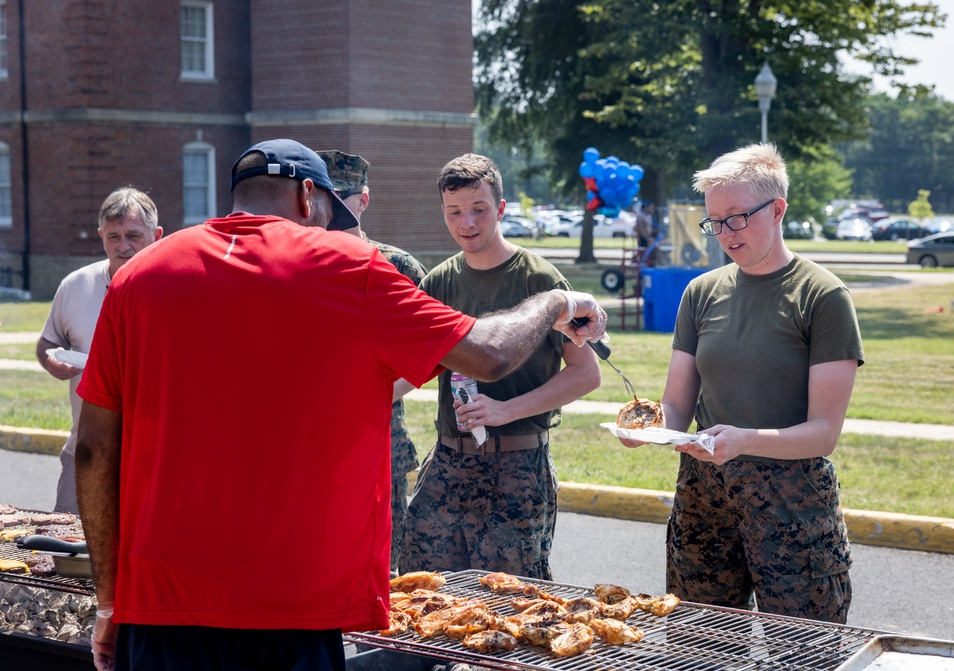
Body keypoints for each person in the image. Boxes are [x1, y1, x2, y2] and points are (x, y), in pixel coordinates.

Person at [75, 139, 608, 671]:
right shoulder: (353, 268)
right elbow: (488, 354)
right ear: (309, 196)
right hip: (296, 604)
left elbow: (95, 451)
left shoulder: (137, 277)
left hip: (162, 603)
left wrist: (109, 600)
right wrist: (559, 300)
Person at [619, 143, 864, 624]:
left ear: (777, 210)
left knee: (801, 651)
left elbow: (823, 432)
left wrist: (742, 441)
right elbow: (676, 404)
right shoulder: (701, 292)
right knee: (698, 645)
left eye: (737, 217)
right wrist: (646, 428)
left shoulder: (823, 296)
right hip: (703, 495)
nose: (724, 234)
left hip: (792, 503)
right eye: (714, 221)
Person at [399, 153, 602, 581]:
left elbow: (586, 374)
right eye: (454, 212)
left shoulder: (539, 281)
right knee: (421, 590)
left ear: (501, 209)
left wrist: (506, 410)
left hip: (518, 467)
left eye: (479, 210)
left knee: (510, 604)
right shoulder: (438, 283)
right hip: (449, 463)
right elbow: (405, 369)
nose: (466, 223)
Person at [317, 148, 427, 573]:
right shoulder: (295, 265)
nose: (333, 206)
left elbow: (429, 352)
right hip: (311, 444)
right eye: (326, 195)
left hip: (378, 436)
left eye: (343, 195)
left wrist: (368, 395)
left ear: (363, 200)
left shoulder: (397, 266)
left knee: (383, 568)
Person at [35, 186, 162, 514]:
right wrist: (51, 361)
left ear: (157, 235)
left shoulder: (175, 289)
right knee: (67, 551)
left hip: (152, 459)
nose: (124, 246)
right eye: (114, 236)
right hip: (84, 449)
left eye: (134, 235)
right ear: (101, 236)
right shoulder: (75, 285)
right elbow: (47, 343)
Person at [634, 200, 662, 265]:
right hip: (643, 239)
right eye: (651, 207)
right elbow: (641, 230)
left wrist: (655, 232)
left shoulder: (648, 216)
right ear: (646, 207)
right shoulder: (641, 216)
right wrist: (648, 239)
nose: (653, 209)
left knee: (665, 244)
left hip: (648, 237)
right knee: (657, 246)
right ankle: (654, 262)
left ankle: (657, 262)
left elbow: (648, 229)